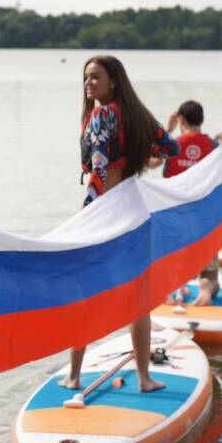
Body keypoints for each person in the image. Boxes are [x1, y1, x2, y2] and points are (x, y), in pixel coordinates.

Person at [69, 55, 178, 393]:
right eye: (86, 78)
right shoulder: (133, 113)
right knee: (138, 298)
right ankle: (145, 378)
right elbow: (168, 147)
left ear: (112, 80)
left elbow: (99, 171)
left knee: (85, 294)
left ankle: (74, 376)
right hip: (133, 209)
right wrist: (134, 159)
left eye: (95, 77)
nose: (89, 84)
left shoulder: (101, 114)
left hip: (105, 210)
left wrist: (87, 214)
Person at [162, 100, 220, 306]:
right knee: (209, 274)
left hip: (176, 217)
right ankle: (205, 288)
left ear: (181, 120)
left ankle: (169, 293)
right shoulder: (215, 148)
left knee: (170, 268)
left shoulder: (173, 146)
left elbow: (155, 165)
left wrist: (168, 131)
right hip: (205, 220)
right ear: (202, 119)